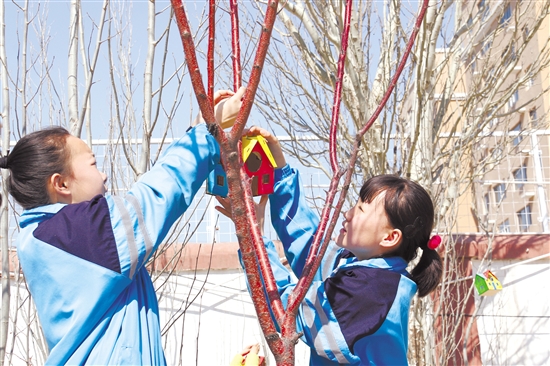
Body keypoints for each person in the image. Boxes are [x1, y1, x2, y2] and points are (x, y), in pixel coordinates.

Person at [0, 87, 245, 365]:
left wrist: (202, 128)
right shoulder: (77, 234)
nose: (103, 175)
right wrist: (208, 131)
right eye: (93, 164)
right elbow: (157, 195)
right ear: (61, 184)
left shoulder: (44, 238)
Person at [216, 126, 443, 365]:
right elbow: (309, 246)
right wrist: (279, 169)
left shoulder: (372, 293)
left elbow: (288, 313)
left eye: (361, 211)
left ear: (389, 238)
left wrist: (254, 238)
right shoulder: (362, 268)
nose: (347, 213)